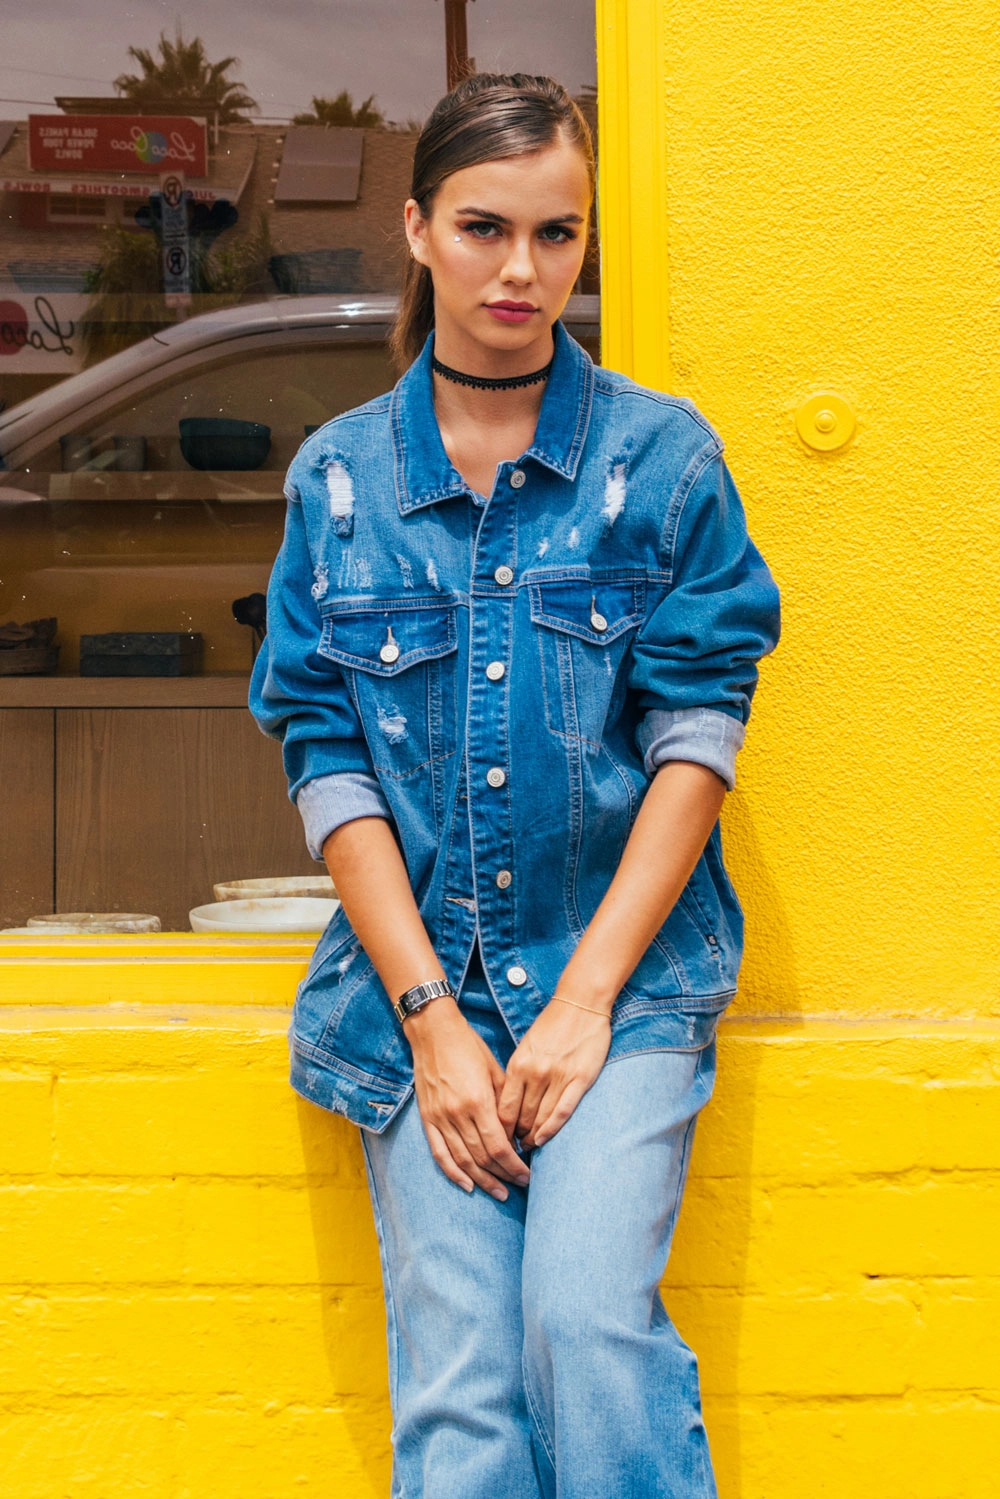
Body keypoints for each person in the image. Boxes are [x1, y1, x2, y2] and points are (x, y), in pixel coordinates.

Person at [250, 72, 780, 1499]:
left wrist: (586, 999)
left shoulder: (658, 457)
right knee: (465, 1387)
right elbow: (327, 753)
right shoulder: (341, 481)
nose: (523, 270)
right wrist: (432, 1020)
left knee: (586, 1327)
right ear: (417, 229)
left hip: (623, 977)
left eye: (560, 234)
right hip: (414, 996)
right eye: (486, 228)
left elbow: (697, 740)